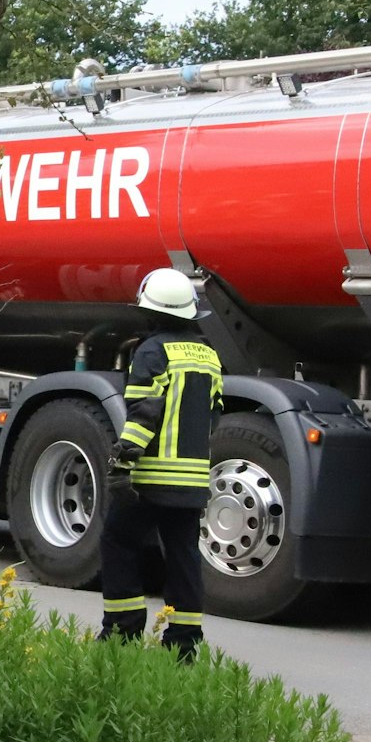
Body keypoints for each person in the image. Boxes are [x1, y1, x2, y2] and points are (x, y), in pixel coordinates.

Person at [99, 267, 224, 662]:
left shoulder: (152, 352)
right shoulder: (208, 354)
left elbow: (143, 414)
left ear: (150, 310)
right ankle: (184, 645)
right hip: (191, 480)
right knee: (184, 554)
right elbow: (215, 413)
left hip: (149, 479)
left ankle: (122, 633)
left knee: (118, 541)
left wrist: (122, 461)